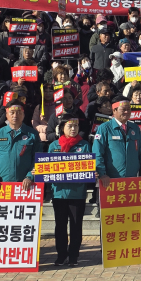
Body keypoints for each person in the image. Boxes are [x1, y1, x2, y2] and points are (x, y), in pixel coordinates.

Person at [46, 113, 93, 266]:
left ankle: (73, 256)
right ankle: (61, 255)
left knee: (76, 225)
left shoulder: (84, 145)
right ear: (62, 128)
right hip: (59, 192)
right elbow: (47, 167)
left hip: (77, 192)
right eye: (70, 126)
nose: (73, 129)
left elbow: (89, 165)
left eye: (76, 126)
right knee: (60, 225)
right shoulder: (54, 146)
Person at [92, 96, 141, 188]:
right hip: (109, 181)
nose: (127, 112)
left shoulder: (135, 128)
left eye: (129, 109)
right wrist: (102, 174)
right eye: (123, 109)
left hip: (131, 181)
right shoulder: (104, 128)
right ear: (114, 111)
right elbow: (97, 153)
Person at [0, 100, 39, 190]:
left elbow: (37, 158)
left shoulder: (32, 134)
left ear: (23, 115)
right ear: (6, 115)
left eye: (19, 112)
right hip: (1, 185)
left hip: (25, 186)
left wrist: (29, 176)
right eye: (12, 112)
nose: (15, 115)